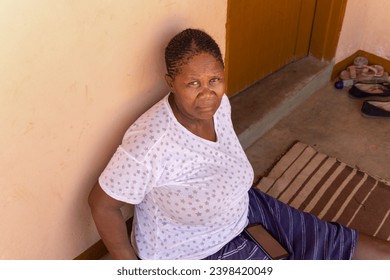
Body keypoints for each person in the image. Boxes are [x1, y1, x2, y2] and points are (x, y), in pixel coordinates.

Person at [88, 28, 390, 260]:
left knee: (333, 241)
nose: (207, 93)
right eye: (193, 83)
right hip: (197, 250)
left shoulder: (221, 106)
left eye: (214, 80)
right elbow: (102, 205)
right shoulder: (151, 143)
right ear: (171, 82)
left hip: (246, 206)